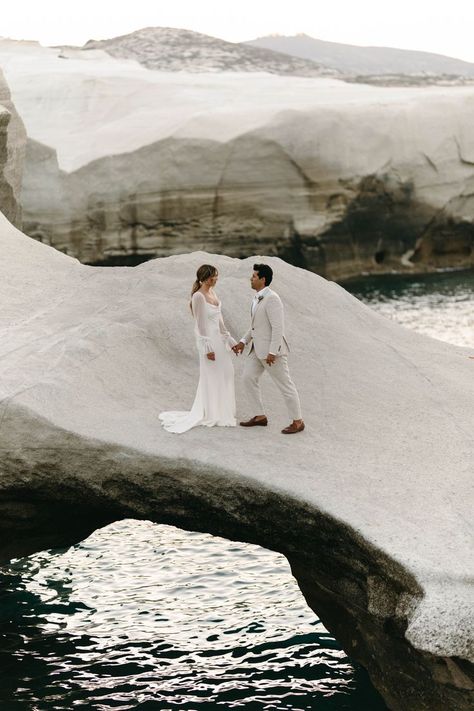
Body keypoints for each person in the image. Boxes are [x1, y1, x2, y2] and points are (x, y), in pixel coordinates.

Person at [159, 265, 237, 433]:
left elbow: (220, 320)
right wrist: (207, 348)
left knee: (227, 372)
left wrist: (230, 340)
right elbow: (200, 325)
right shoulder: (198, 297)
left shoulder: (213, 293)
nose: (215, 279)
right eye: (212, 277)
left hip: (219, 340)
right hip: (209, 342)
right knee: (212, 376)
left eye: (216, 276)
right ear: (204, 278)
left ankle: (222, 410)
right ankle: (212, 413)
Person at [232, 264, 304, 434]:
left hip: (272, 352)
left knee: (285, 385)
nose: (251, 278)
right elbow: (255, 326)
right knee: (247, 378)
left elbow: (278, 327)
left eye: (254, 276)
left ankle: (298, 421)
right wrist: (243, 341)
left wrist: (273, 352)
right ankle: (260, 416)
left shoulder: (272, 299)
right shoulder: (256, 298)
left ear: (263, 279)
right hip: (256, 350)